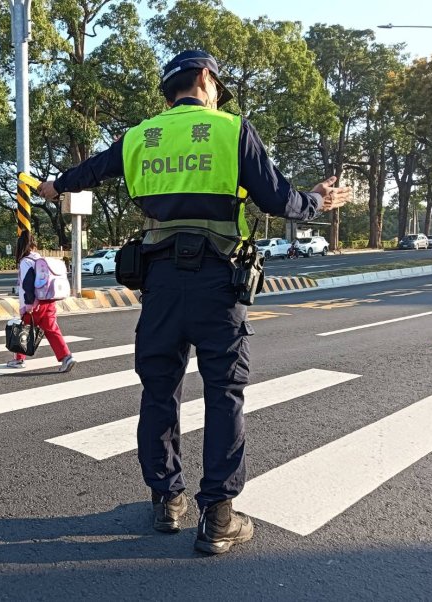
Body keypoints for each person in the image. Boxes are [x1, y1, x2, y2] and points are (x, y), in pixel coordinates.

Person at [38, 50, 350, 554]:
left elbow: (89, 171)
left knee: (158, 391)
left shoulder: (141, 136)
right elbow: (278, 200)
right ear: (205, 79)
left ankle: (167, 500)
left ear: (169, 90)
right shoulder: (231, 130)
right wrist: (316, 199)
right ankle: (219, 516)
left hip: (158, 285)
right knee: (223, 391)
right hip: (218, 282)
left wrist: (55, 186)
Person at [7, 230, 76, 373]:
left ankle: (19, 359)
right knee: (52, 330)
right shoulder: (40, 259)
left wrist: (29, 304)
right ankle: (66, 357)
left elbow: (27, 285)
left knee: (24, 329)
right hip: (48, 301)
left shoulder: (25, 262)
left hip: (33, 304)